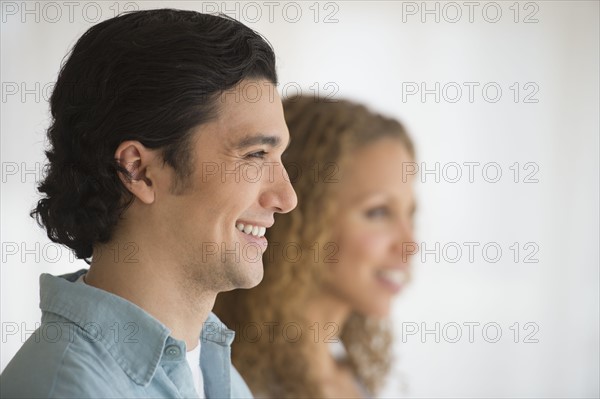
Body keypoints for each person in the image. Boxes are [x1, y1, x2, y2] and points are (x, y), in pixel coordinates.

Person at [1, 9, 297, 398]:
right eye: (256, 155)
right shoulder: (66, 389)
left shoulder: (214, 372)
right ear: (138, 171)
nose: (286, 198)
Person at [214, 96, 417, 398]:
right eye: (378, 212)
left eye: (411, 213)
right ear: (303, 219)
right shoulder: (229, 384)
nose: (409, 244)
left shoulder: (353, 377)